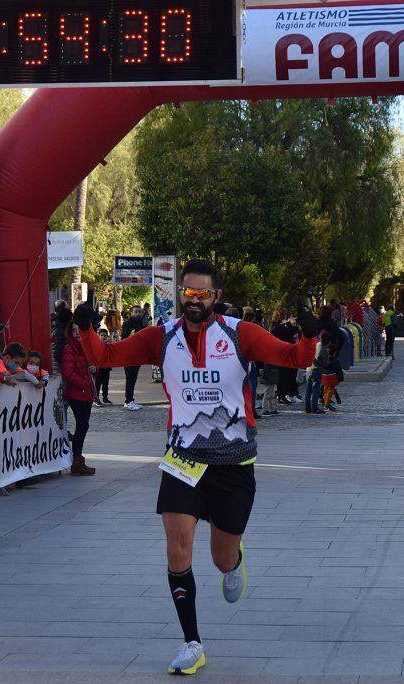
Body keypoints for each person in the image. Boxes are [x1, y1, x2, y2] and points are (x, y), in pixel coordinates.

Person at [75, 258, 316, 675]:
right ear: (180, 294)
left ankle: (234, 560)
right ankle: (192, 643)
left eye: (203, 294)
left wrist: (310, 336)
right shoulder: (162, 336)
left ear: (216, 297)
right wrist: (83, 329)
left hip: (232, 461)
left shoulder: (240, 335)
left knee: (220, 559)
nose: (194, 300)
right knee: (177, 549)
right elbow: (107, 356)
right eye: (188, 293)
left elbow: (294, 358)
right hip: (182, 458)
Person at [61, 321, 97, 476]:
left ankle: (77, 459)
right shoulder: (69, 350)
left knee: (83, 426)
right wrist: (84, 383)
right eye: (74, 330)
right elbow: (68, 373)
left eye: (79, 330)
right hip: (77, 393)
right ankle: (77, 461)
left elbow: (92, 366)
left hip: (85, 392)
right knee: (82, 426)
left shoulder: (84, 348)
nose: (77, 333)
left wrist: (95, 370)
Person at [120, 305, 147, 411]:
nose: (138, 314)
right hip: (129, 355)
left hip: (137, 354)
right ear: (131, 313)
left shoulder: (140, 323)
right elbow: (124, 338)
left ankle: (131, 399)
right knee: (130, 378)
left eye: (139, 312)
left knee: (133, 378)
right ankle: (127, 401)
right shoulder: (128, 323)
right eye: (135, 312)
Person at [304, 330, 329, 414]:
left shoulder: (317, 344)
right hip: (316, 371)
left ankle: (307, 408)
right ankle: (314, 408)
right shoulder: (324, 351)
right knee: (315, 391)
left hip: (308, 369)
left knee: (308, 390)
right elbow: (326, 364)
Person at [320, 346, 344, 411]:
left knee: (325, 390)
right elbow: (339, 371)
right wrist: (341, 378)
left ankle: (326, 402)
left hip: (324, 377)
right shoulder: (336, 361)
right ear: (335, 353)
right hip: (331, 378)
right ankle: (327, 405)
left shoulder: (325, 359)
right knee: (330, 391)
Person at [94, 329, 112, 405]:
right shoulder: (96, 344)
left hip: (106, 367)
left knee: (105, 383)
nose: (103, 337)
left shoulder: (109, 344)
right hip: (99, 367)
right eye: (102, 335)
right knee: (97, 383)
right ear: (99, 336)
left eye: (105, 335)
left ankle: (105, 398)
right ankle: (96, 397)